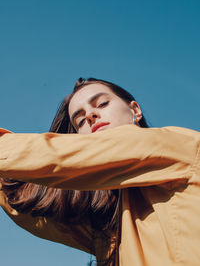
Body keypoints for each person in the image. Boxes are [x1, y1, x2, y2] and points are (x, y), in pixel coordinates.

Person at [0, 77, 200, 266]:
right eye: (79, 121)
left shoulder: (177, 145)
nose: (89, 115)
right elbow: (28, 208)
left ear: (135, 111)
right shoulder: (108, 222)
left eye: (102, 104)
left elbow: (59, 156)